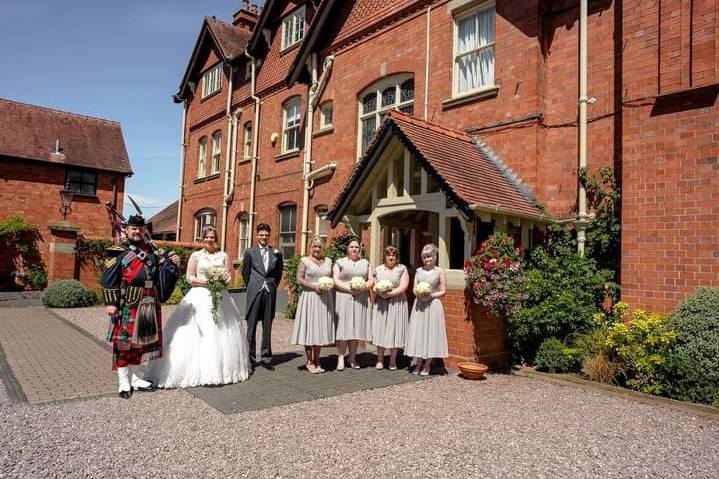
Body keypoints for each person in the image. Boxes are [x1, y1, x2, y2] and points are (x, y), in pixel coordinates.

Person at [147, 226, 251, 387]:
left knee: (222, 332)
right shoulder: (196, 255)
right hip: (199, 296)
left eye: (212, 237)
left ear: (216, 239)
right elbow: (189, 277)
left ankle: (222, 371)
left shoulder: (223, 255)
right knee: (195, 333)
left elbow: (230, 277)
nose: (209, 240)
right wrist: (208, 282)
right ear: (202, 239)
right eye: (207, 237)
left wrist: (221, 282)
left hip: (220, 297)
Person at [101, 214, 180, 399]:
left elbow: (164, 266)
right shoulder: (117, 251)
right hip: (129, 300)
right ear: (127, 230)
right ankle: (123, 381)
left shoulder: (152, 250)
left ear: (145, 230)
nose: (137, 232)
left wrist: (173, 259)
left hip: (149, 300)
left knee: (141, 341)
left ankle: (135, 378)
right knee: (124, 342)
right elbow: (108, 278)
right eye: (133, 229)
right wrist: (111, 303)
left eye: (140, 228)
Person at [290, 236, 335, 373]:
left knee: (320, 328)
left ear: (323, 248)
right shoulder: (305, 261)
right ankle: (309, 361)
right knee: (310, 328)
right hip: (310, 297)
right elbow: (299, 279)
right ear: (310, 247)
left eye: (319, 247)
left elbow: (332, 277)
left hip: (325, 298)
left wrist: (329, 285)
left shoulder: (328, 261)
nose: (317, 249)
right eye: (314, 246)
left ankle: (318, 359)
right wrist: (313, 287)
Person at [242, 223, 284, 371]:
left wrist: (272, 285)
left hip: (269, 291)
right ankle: (250, 359)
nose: (264, 237)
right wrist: (253, 286)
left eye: (266, 235)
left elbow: (279, 273)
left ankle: (266, 359)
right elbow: (245, 273)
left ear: (269, 236)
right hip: (255, 291)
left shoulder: (276, 253)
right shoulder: (249, 252)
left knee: (267, 326)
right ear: (257, 235)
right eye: (261, 234)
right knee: (251, 326)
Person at [405, 243, 448, 376]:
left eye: (429, 257)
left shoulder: (440, 271)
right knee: (419, 332)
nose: (427, 260)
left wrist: (431, 296)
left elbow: (443, 290)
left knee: (430, 333)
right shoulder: (418, 271)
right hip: (419, 305)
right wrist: (419, 295)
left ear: (435, 256)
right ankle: (418, 362)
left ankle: (427, 364)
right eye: (425, 257)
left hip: (433, 305)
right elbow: (413, 289)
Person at [333, 237, 373, 370]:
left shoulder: (365, 263)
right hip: (344, 297)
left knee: (356, 328)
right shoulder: (340, 262)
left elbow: (370, 281)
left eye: (356, 247)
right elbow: (336, 280)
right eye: (352, 247)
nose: (354, 249)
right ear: (347, 248)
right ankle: (340, 358)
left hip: (361, 298)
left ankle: (353, 358)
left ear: (359, 248)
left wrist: (362, 288)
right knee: (344, 328)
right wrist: (349, 289)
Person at [371, 246, 409, 371]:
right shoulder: (378, 269)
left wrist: (390, 294)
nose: (391, 257)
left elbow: (403, 286)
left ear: (397, 258)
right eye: (388, 255)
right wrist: (379, 292)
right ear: (385, 257)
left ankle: (393, 360)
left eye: (393, 255)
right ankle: (380, 359)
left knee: (394, 330)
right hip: (381, 303)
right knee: (380, 329)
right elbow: (374, 286)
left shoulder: (402, 269)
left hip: (396, 303)